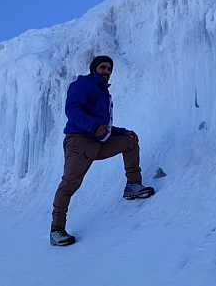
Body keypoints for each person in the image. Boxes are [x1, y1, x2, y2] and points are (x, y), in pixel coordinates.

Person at [50, 55, 155, 246]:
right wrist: (92, 127)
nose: (106, 71)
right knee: (69, 185)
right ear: (94, 69)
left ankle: (133, 185)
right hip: (79, 142)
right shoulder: (83, 84)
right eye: (103, 68)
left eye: (109, 69)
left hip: (97, 142)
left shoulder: (103, 93)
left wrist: (123, 132)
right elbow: (72, 110)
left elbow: (103, 126)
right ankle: (56, 230)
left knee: (129, 142)